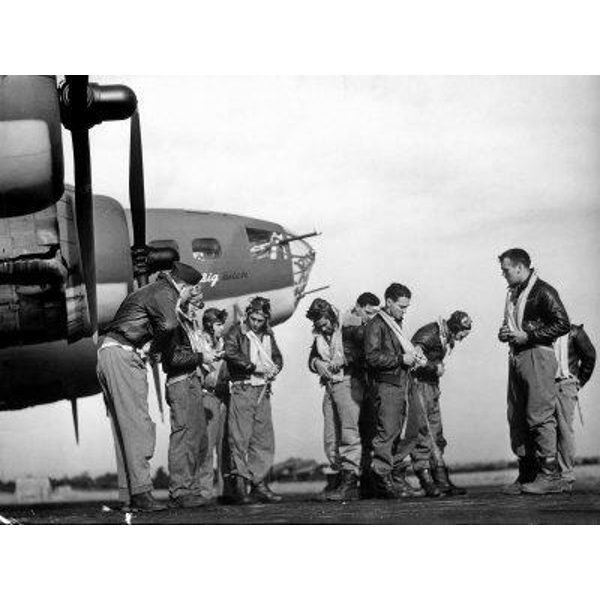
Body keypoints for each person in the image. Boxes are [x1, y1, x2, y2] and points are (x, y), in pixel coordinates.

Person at [97, 262, 203, 512]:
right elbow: (168, 325)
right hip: (124, 355)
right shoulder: (166, 292)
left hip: (110, 352)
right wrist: (154, 351)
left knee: (124, 428)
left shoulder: (151, 290)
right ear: (183, 286)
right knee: (138, 425)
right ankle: (142, 495)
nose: (190, 296)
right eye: (191, 291)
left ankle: (130, 495)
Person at [498, 248, 570, 495]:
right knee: (517, 415)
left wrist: (529, 335)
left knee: (539, 413)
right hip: (517, 356)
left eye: (506, 270)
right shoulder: (514, 293)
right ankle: (527, 473)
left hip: (537, 355)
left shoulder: (543, 291)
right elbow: (515, 323)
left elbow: (562, 323)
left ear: (520, 267)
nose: (503, 274)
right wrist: (505, 333)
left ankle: (550, 475)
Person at [307, 296, 377, 501]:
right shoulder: (319, 335)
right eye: (320, 325)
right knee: (330, 437)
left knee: (348, 433)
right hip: (329, 386)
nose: (324, 328)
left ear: (331, 317)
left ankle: (349, 482)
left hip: (348, 382)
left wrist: (345, 358)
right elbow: (311, 358)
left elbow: (366, 351)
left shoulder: (349, 327)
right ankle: (339, 477)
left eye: (326, 323)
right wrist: (316, 363)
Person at [364, 282, 426, 499]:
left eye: (407, 307)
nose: (404, 311)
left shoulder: (393, 323)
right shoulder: (377, 324)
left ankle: (394, 476)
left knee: (406, 431)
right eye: (401, 306)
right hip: (387, 385)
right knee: (388, 432)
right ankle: (382, 478)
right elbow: (371, 357)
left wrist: (411, 356)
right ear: (389, 302)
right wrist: (401, 358)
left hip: (401, 383)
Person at [224, 296, 283, 504]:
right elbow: (230, 353)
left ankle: (259, 484)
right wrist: (253, 367)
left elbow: (277, 356)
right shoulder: (236, 331)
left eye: (260, 320)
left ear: (266, 319)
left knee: (263, 439)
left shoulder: (268, 335)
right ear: (248, 315)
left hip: (263, 390)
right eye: (253, 319)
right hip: (243, 388)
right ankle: (240, 486)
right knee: (239, 438)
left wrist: (276, 367)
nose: (256, 323)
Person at [408, 311, 472, 496]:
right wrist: (433, 368)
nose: (462, 338)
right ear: (456, 328)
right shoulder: (428, 334)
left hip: (431, 386)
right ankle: (426, 479)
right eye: (462, 334)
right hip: (419, 385)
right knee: (424, 432)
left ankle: (441, 479)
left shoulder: (443, 335)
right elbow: (412, 358)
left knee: (436, 433)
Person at [161, 286, 209, 508]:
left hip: (193, 380)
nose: (197, 309)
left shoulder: (189, 326)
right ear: (184, 303)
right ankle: (179, 490)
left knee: (197, 435)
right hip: (181, 382)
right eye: (195, 304)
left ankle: (192, 488)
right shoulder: (173, 324)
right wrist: (201, 357)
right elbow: (172, 360)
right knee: (182, 435)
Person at [554, 323, 596, 491]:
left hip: (565, 385)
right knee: (545, 431)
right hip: (543, 387)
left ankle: (566, 477)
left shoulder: (575, 332)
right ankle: (548, 476)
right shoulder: (543, 331)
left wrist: (579, 382)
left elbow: (590, 357)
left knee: (564, 431)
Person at [196, 308, 230, 500]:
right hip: (207, 396)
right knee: (207, 446)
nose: (222, 328)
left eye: (222, 324)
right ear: (209, 325)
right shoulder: (200, 342)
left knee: (224, 445)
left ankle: (226, 491)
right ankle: (205, 492)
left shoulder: (223, 342)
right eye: (218, 324)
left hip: (223, 396)